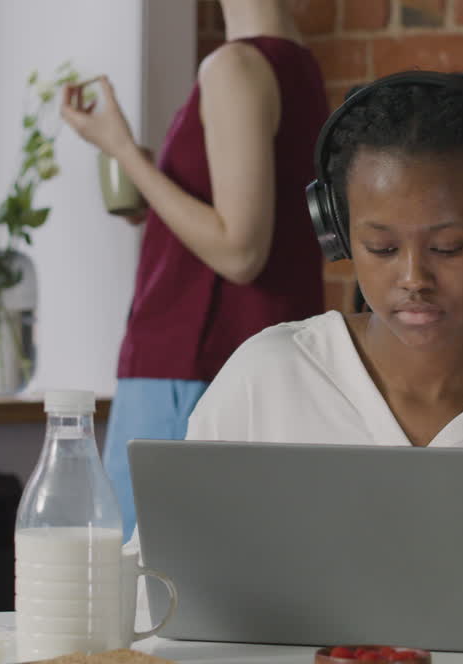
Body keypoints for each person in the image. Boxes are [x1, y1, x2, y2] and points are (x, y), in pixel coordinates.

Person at [184, 72, 463, 624]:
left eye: (448, 247)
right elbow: (166, 587)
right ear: (338, 234)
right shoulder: (268, 377)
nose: (413, 278)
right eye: (381, 247)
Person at [60, 0, 329, 538]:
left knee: (142, 587)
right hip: (250, 363)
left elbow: (240, 252)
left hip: (192, 370)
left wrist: (121, 151)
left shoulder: (235, 67)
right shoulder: (299, 67)